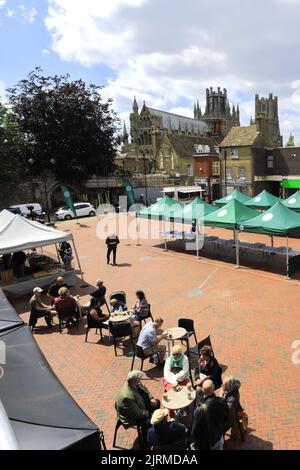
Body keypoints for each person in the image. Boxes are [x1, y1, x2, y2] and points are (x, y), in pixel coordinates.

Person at [116, 370, 160, 447]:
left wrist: (151, 398)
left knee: (157, 403)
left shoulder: (135, 383)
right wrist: (149, 414)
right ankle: (145, 443)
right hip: (132, 416)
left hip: (141, 405)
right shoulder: (127, 396)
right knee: (147, 422)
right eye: (139, 379)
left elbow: (145, 389)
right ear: (135, 380)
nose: (140, 380)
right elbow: (137, 414)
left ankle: (154, 427)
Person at [191, 379, 229, 450]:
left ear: (202, 390)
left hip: (206, 443)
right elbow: (226, 418)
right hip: (218, 437)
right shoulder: (222, 402)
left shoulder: (199, 410)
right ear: (214, 387)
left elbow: (194, 431)